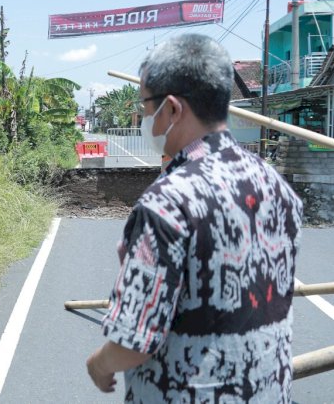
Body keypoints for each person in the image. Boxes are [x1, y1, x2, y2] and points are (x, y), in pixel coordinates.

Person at [86, 34, 303, 403]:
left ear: (172, 109)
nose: (143, 119)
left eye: (145, 107)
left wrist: (99, 364)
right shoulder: (277, 185)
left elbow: (135, 341)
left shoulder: (168, 202)